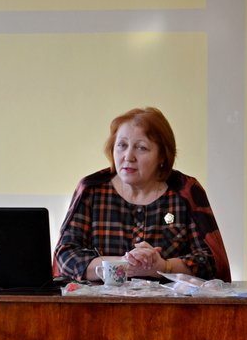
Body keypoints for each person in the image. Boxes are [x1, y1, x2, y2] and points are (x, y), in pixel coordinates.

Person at [54, 107, 230, 282]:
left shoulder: (185, 191)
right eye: (122, 145)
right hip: (100, 299)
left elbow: (210, 262)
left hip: (171, 300)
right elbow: (66, 257)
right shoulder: (91, 190)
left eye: (141, 148)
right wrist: (123, 263)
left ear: (162, 156)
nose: (128, 157)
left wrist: (162, 267)